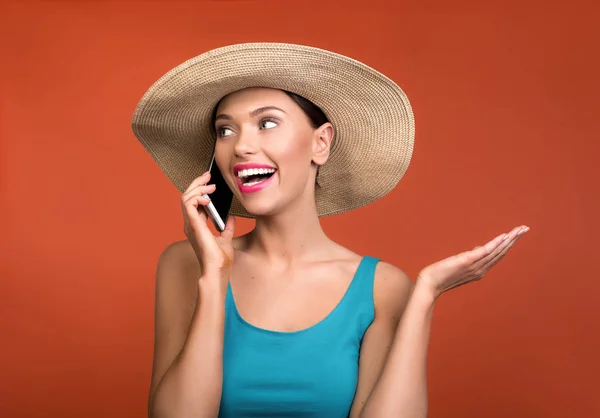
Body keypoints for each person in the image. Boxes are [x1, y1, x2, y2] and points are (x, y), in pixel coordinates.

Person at [131, 43, 529, 418]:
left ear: (320, 143)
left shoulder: (382, 288)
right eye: (225, 130)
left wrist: (424, 295)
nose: (240, 147)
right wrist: (214, 277)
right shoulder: (186, 263)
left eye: (267, 123)